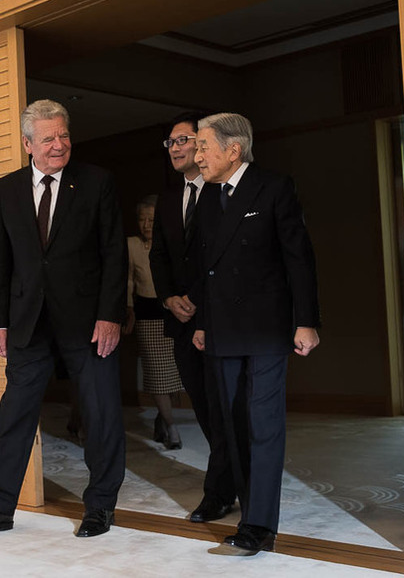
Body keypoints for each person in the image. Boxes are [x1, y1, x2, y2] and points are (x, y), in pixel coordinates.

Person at [0, 99, 127, 538]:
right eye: (48, 138)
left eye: (64, 135)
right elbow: (3, 259)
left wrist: (110, 315)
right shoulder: (7, 187)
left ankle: (100, 507)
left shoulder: (97, 183)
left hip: (87, 320)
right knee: (14, 413)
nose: (58, 145)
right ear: (27, 143)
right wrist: (0, 320)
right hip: (27, 319)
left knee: (100, 412)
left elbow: (115, 254)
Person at [192, 112, 320, 556]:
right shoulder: (208, 197)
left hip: (267, 327)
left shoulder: (274, 186)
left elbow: (298, 259)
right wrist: (205, 322)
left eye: (204, 145)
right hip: (224, 327)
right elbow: (206, 269)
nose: (197, 154)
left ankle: (258, 524)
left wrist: (306, 321)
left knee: (263, 425)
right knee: (233, 425)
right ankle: (250, 512)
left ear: (233, 149)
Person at [148, 112, 237, 523]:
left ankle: (220, 491)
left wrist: (197, 300)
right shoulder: (166, 199)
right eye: (171, 142)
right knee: (203, 406)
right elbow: (160, 256)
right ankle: (228, 482)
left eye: (184, 140)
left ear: (202, 145)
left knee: (225, 408)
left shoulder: (223, 191)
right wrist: (168, 297)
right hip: (180, 320)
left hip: (217, 317)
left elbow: (223, 259)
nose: (177, 148)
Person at [123, 194, 184, 450]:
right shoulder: (130, 245)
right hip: (146, 314)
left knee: (174, 375)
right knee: (158, 375)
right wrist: (128, 308)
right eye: (142, 219)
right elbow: (127, 280)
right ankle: (171, 425)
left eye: (151, 219)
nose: (146, 224)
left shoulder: (169, 242)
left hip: (173, 313)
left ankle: (162, 417)